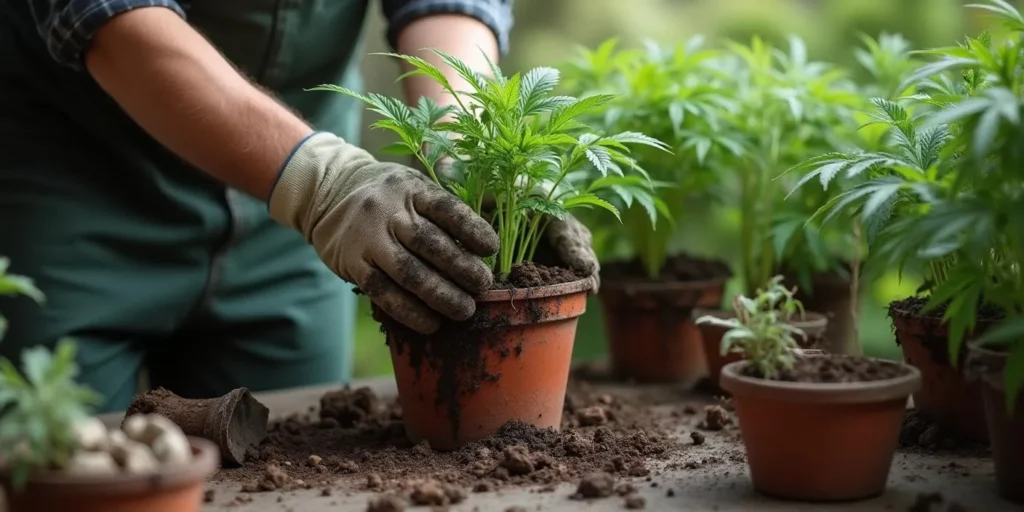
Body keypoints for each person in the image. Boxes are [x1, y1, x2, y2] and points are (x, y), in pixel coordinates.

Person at [0, 0, 599, 413]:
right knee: (66, 460)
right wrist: (323, 183)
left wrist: (462, 152)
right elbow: (112, 18)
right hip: (73, 186)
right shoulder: (324, 189)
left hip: (295, 218)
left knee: (297, 460)